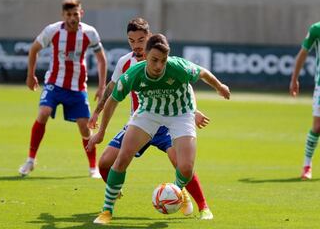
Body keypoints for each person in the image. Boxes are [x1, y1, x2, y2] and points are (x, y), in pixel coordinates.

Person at [88, 33, 230, 224]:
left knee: (186, 168)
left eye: (163, 61)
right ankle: (107, 211)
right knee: (121, 159)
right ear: (146, 56)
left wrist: (219, 86)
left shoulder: (178, 67)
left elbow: (203, 72)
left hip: (180, 114)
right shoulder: (134, 73)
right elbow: (113, 101)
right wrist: (101, 132)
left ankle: (177, 192)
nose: (158, 66)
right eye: (154, 60)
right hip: (148, 113)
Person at [18, 0, 107, 178]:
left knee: (84, 127)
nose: (73, 18)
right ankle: (30, 160)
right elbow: (34, 49)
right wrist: (30, 75)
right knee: (43, 113)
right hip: (54, 84)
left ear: (81, 13)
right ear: (63, 15)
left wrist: (101, 86)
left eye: (76, 14)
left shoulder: (90, 33)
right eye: (69, 14)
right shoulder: (52, 31)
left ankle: (93, 168)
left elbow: (101, 59)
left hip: (77, 88)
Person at [290, 21, 320, 180]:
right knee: (317, 126)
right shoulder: (317, 29)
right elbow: (303, 53)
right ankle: (307, 165)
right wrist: (294, 79)